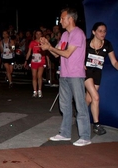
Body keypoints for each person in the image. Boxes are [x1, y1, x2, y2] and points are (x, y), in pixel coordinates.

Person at [39, 7, 91, 146]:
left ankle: (85, 136)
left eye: (62, 18)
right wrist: (48, 46)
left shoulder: (77, 33)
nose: (60, 21)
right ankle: (65, 133)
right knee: (65, 105)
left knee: (80, 106)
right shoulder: (64, 35)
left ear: (70, 19)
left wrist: (50, 48)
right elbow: (57, 53)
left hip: (76, 74)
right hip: (64, 74)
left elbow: (67, 53)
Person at [84, 22, 118, 135]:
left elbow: (114, 62)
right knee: (96, 97)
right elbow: (77, 56)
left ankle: (79, 113)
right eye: (100, 31)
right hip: (86, 72)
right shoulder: (86, 43)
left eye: (104, 31)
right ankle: (97, 125)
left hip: (97, 73)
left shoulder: (107, 44)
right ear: (94, 32)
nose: (103, 33)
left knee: (89, 99)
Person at [24, 30, 46, 97]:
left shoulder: (44, 42)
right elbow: (29, 52)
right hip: (34, 61)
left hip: (41, 60)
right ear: (35, 35)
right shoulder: (32, 42)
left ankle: (39, 90)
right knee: (34, 76)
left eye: (40, 34)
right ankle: (35, 91)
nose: (38, 35)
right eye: (37, 34)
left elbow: (47, 51)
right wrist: (26, 61)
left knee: (39, 76)